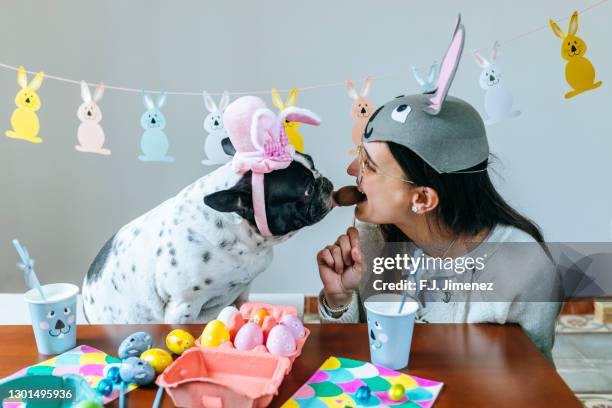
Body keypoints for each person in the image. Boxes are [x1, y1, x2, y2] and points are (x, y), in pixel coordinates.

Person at [317, 17, 562, 362]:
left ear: (422, 198)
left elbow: (532, 384)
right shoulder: (373, 239)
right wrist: (340, 300)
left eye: (369, 165)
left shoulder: (523, 267)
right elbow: (353, 360)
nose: (351, 172)